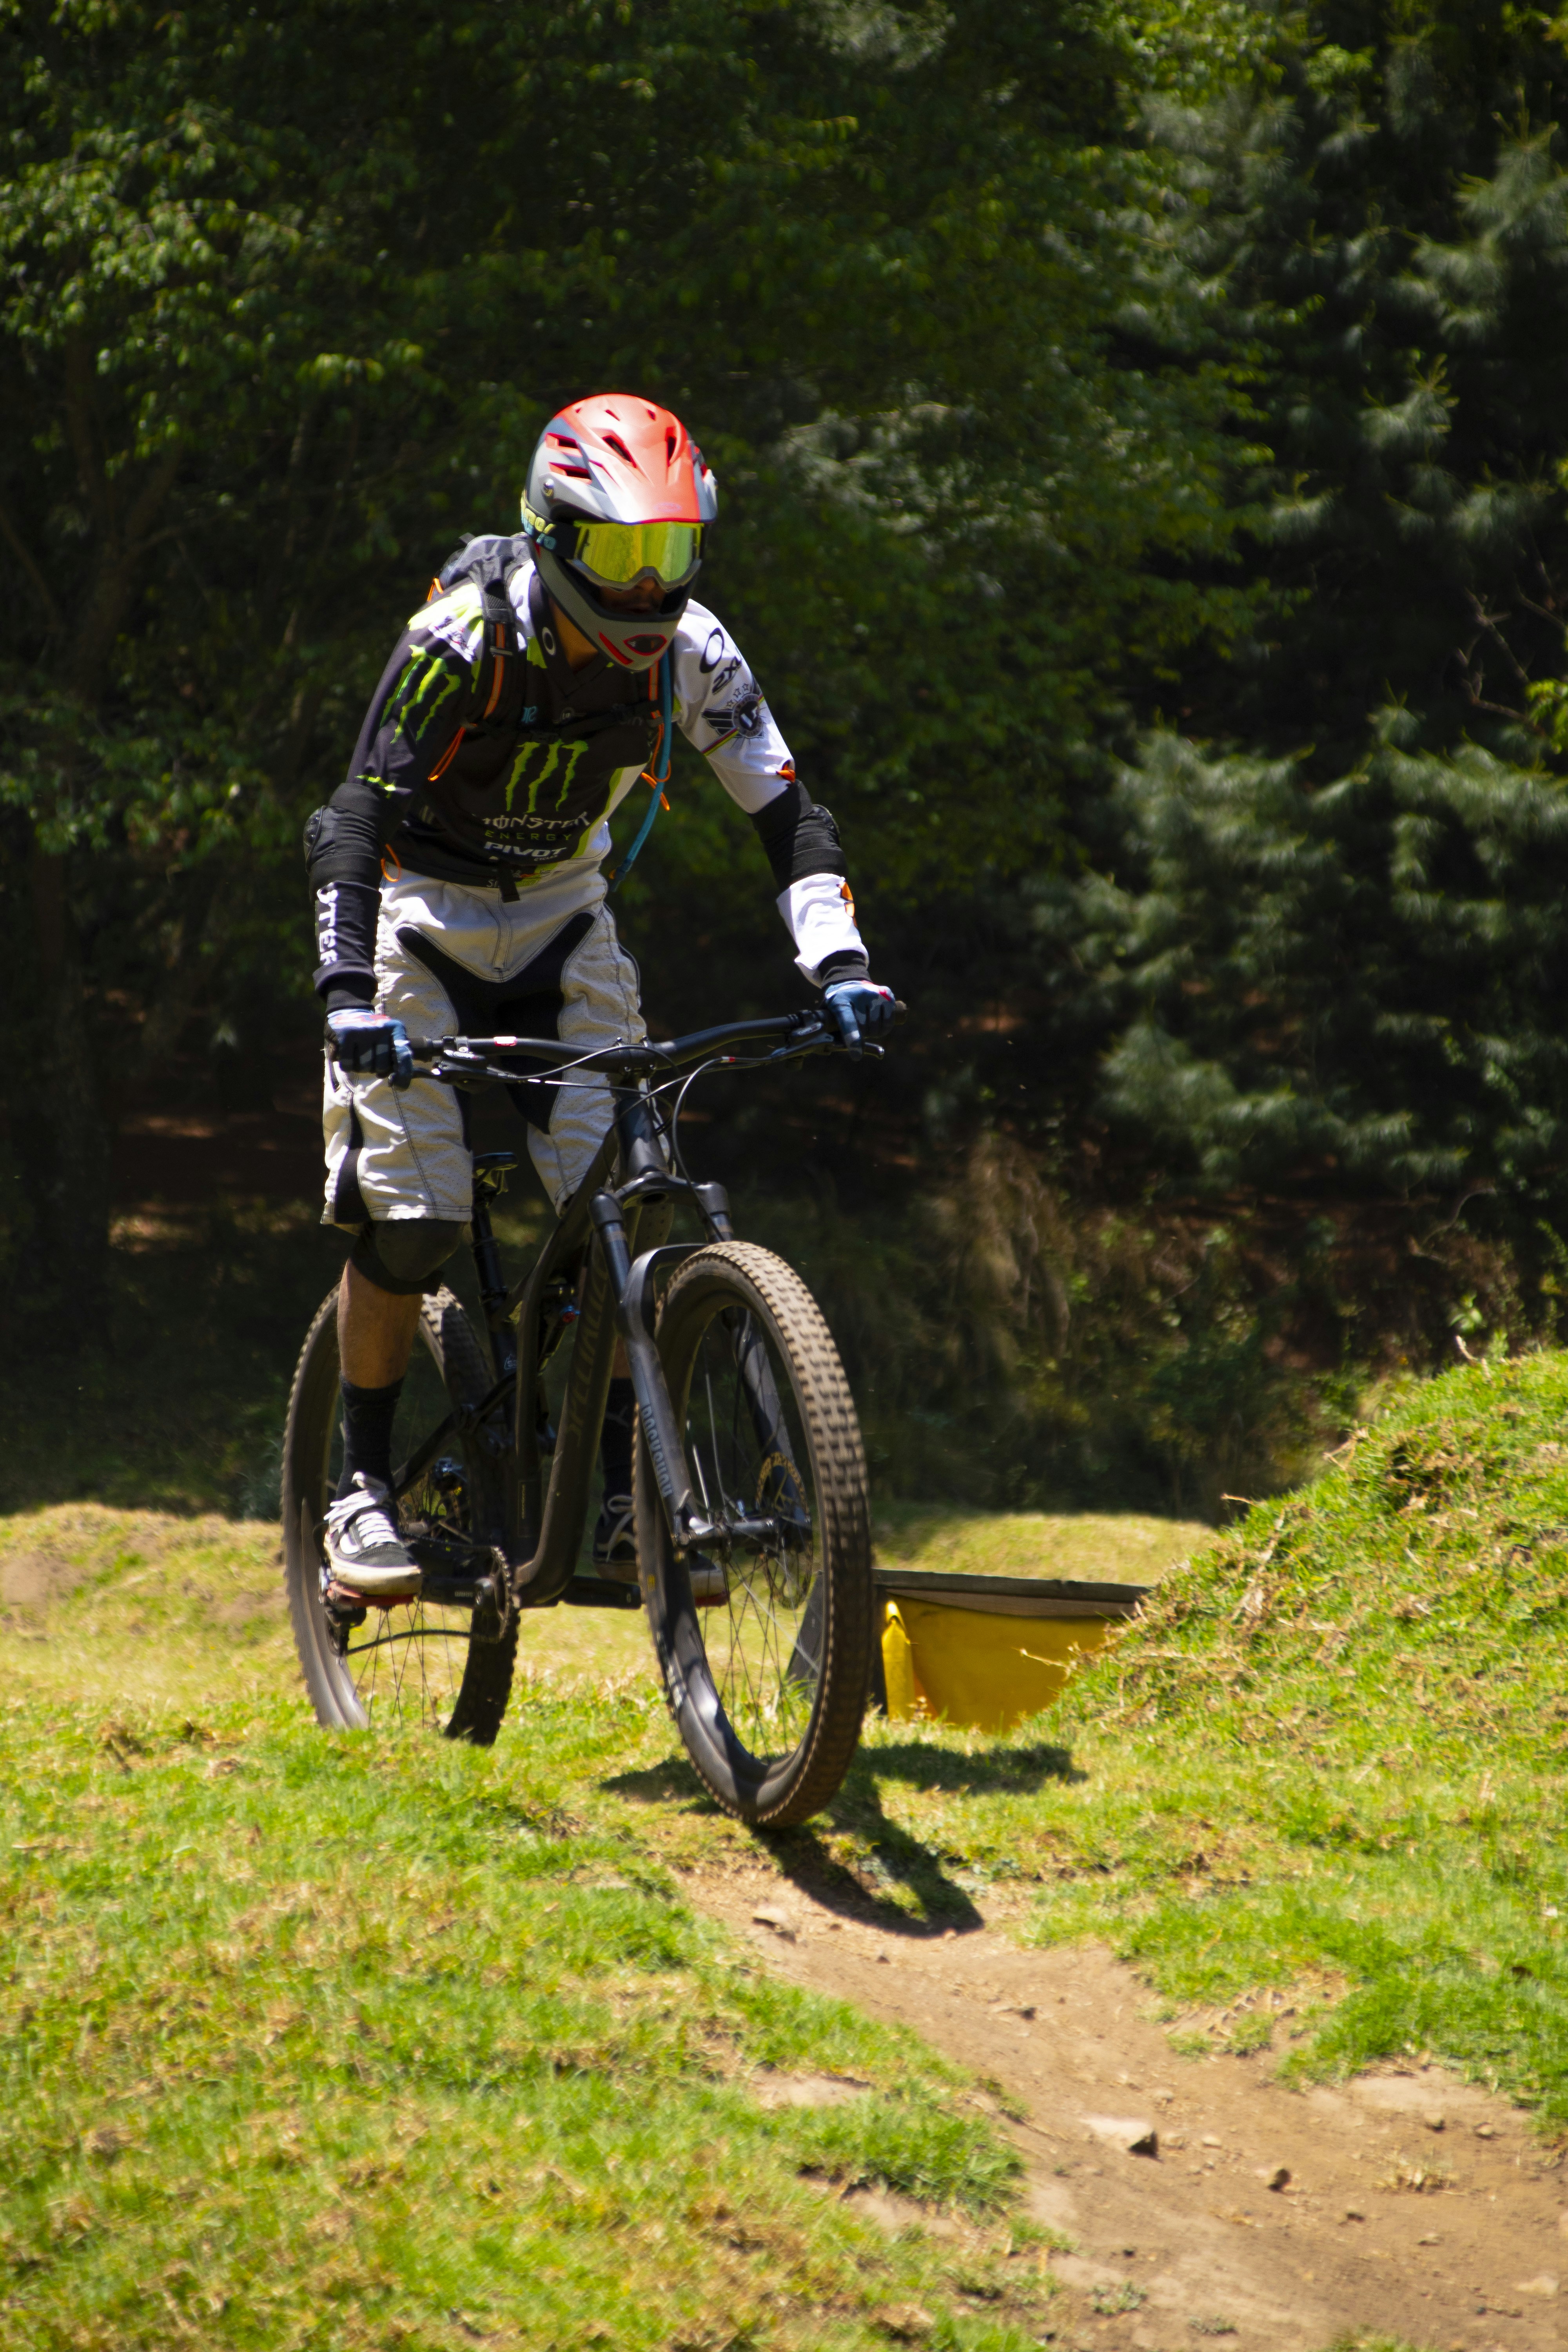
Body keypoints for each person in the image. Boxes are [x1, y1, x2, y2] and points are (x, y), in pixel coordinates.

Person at [303, 392, 895, 1599]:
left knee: (621, 1208)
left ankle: (630, 1497)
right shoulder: (464, 636)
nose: (647, 588)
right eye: (623, 554)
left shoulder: (694, 651)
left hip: (565, 917)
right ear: (555, 535)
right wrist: (345, 991)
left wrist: (837, 959)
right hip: (419, 922)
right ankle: (359, 1488)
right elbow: (354, 817)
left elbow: (791, 816)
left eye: (671, 553)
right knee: (411, 1218)